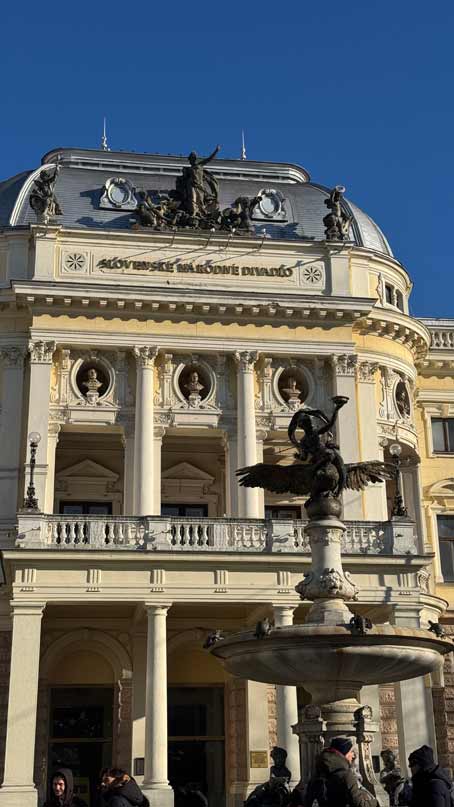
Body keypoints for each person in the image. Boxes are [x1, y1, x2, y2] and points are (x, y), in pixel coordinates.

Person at [305, 737, 377, 807]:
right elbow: (359, 804)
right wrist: (374, 802)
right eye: (351, 752)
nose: (353, 755)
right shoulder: (346, 775)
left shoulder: (317, 774)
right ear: (344, 753)